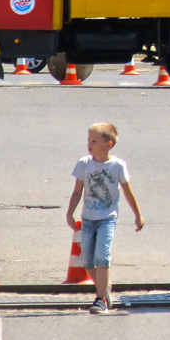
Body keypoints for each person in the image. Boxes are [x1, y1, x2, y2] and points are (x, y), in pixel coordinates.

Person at [66, 122, 144, 314]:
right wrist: (70, 213)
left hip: (107, 218)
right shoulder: (84, 163)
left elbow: (127, 191)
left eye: (94, 141)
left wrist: (138, 215)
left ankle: (101, 299)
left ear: (108, 145)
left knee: (102, 256)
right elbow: (77, 191)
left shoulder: (117, 165)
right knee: (87, 261)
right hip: (88, 218)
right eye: (88, 140)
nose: (89, 144)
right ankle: (105, 287)